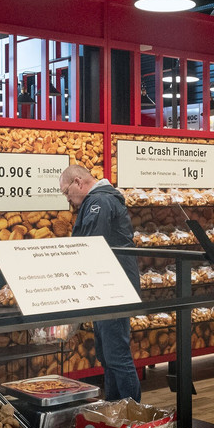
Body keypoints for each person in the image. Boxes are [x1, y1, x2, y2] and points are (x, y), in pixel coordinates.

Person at [58, 164, 142, 401]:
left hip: (113, 287)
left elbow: (89, 245)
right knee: (107, 353)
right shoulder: (97, 201)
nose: (68, 199)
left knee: (116, 353)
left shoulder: (100, 202)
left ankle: (132, 414)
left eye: (67, 192)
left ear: (78, 182)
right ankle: (116, 408)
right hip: (106, 285)